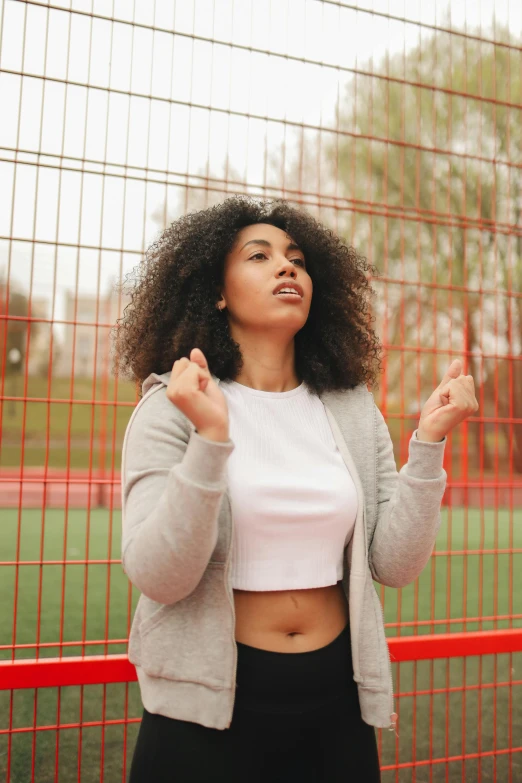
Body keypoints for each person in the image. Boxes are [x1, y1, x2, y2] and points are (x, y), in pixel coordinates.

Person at [114, 195, 479, 782]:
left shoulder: (352, 409)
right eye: (259, 256)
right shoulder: (174, 406)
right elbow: (160, 574)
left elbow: (395, 563)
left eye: (298, 259)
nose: (287, 267)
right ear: (217, 290)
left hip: (337, 700)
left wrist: (428, 445)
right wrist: (211, 438)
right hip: (209, 710)